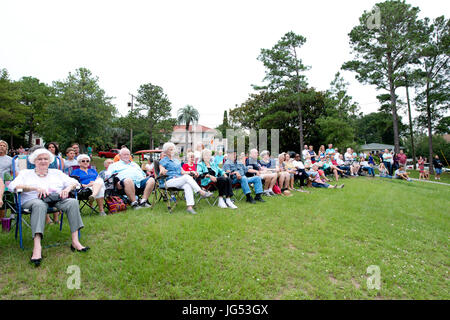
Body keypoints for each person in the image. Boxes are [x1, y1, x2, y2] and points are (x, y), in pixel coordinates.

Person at [8, 148, 89, 267]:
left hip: (55, 199)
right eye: (39, 159)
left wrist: (66, 189)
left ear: (49, 161)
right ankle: (37, 247)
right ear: (34, 161)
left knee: (72, 202)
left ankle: (75, 241)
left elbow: (74, 183)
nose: (43, 161)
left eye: (46, 159)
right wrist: (35, 188)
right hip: (32, 200)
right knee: (39, 205)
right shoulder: (26, 173)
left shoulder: (56, 172)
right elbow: (12, 186)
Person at [158, 143, 213, 215]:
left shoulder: (176, 161)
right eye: (170, 149)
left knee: (187, 185)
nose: (172, 151)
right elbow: (161, 169)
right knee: (187, 178)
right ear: (166, 151)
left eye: (173, 149)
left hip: (178, 180)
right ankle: (201, 192)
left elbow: (182, 172)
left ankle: (189, 207)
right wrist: (163, 171)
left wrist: (191, 171)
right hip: (168, 181)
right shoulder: (163, 160)